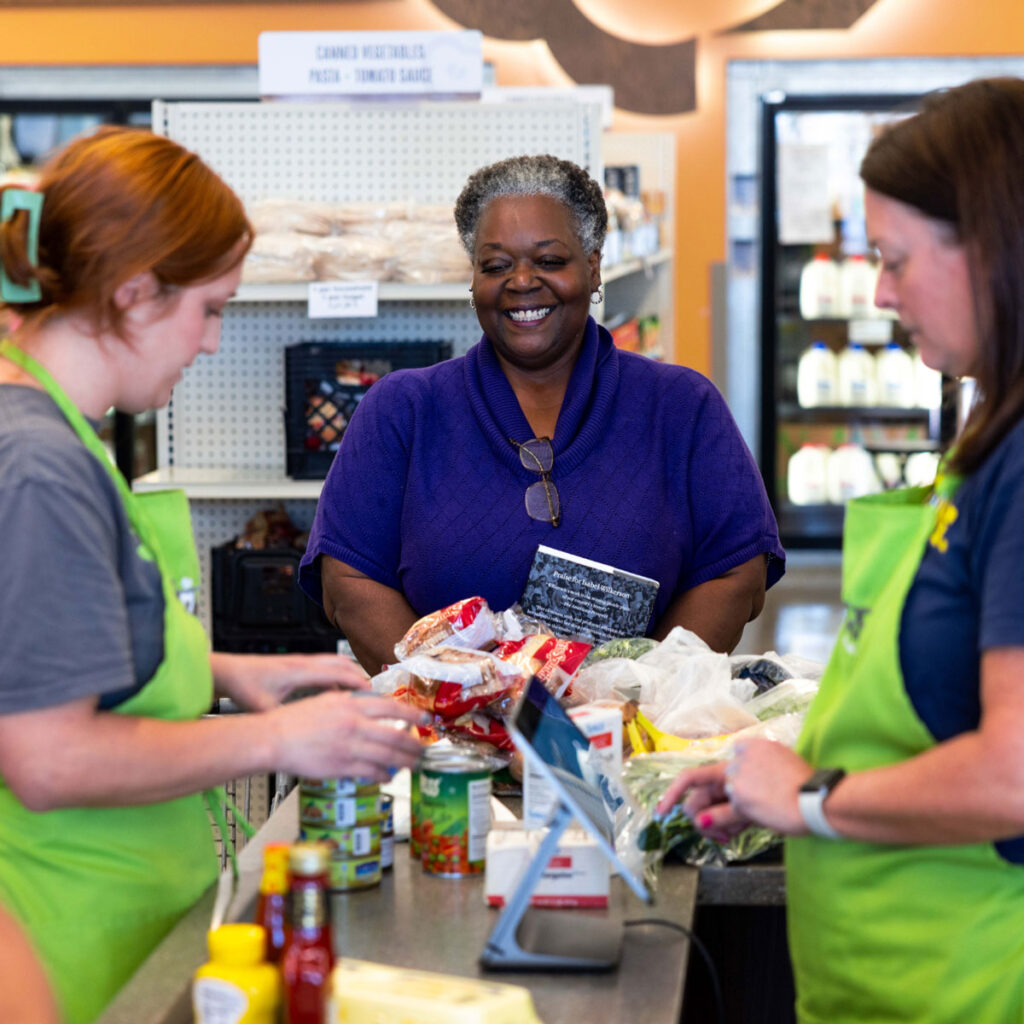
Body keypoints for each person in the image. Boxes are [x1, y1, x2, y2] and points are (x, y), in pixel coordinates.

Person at [0, 126, 425, 1024]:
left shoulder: (57, 425)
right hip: (68, 949)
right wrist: (281, 741)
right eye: (212, 308)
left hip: (121, 917)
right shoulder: (38, 464)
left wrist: (239, 674)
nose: (208, 343)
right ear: (134, 293)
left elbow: (55, 654)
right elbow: (47, 755)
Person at [658, 76, 1024, 1023]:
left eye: (898, 259)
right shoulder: (992, 431)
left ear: (995, 248)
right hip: (893, 982)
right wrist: (774, 783)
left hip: (974, 983)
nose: (880, 290)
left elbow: (1013, 771)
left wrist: (817, 796)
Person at [299, 154, 784, 674]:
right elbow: (348, 578)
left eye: (550, 261)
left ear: (593, 266)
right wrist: (457, 695)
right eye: (496, 265)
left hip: (634, 736)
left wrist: (634, 695)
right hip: (448, 743)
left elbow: (737, 571)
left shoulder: (682, 407)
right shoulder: (402, 411)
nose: (522, 281)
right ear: (473, 280)